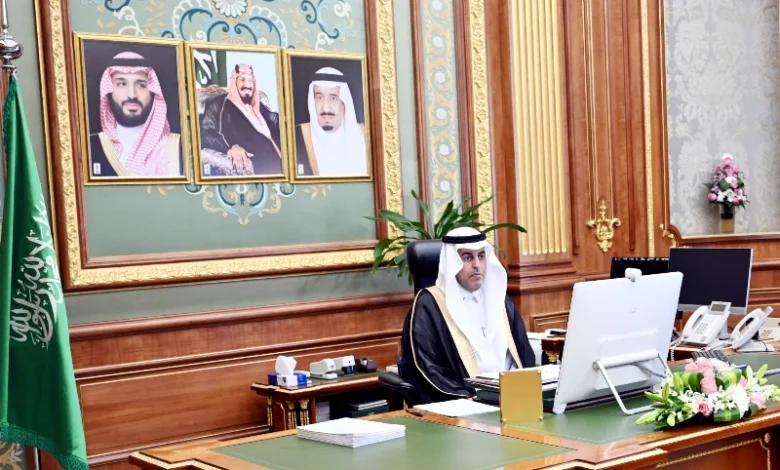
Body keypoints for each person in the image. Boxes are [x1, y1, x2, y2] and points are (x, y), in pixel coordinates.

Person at [399, 227, 535, 404]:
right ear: (452, 263)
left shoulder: (501, 300)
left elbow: (524, 355)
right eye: (467, 258)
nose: (477, 265)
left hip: (514, 399)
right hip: (463, 404)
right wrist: (472, 398)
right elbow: (428, 369)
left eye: (481, 256)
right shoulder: (430, 304)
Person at [89, 51, 182, 178]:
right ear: (109, 90)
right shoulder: (89, 147)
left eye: (141, 85)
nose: (132, 94)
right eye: (121, 84)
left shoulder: (178, 147)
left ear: (153, 92)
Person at [200, 64, 283, 176]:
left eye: (250, 80)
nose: (247, 85)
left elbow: (276, 126)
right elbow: (206, 133)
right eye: (242, 80)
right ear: (234, 82)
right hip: (259, 167)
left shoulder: (259, 106)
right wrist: (230, 148)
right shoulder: (219, 104)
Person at [294, 66, 367, 177]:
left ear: (344, 101)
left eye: (333, 98)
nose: (325, 108)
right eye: (319, 97)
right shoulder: (297, 136)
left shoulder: (366, 135)